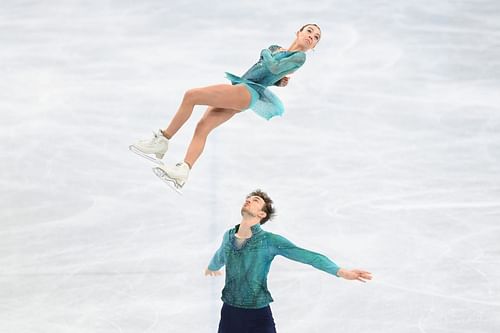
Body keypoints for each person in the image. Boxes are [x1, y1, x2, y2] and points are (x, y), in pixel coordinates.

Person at [130, 24, 322, 190]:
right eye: (309, 31)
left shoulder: (298, 57)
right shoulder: (277, 48)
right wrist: (278, 81)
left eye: (315, 38)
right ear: (298, 32)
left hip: (248, 92)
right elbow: (265, 73)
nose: (311, 36)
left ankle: (163, 140)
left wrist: (266, 52)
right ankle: (183, 170)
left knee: (191, 96)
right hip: (241, 87)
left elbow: (271, 67)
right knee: (202, 127)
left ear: (313, 46)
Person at [205, 190, 372, 333]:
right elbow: (221, 254)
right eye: (248, 198)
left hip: (258, 314)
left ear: (262, 214)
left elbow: (308, 256)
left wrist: (341, 271)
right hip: (230, 312)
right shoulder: (228, 235)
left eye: (255, 200)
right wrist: (212, 266)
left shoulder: (269, 241)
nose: (248, 200)